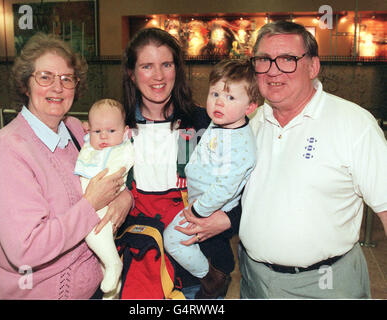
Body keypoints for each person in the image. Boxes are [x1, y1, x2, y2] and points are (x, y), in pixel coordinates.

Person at [0, 33, 133, 299]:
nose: (57, 88)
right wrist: (90, 205)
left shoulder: (76, 130)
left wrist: (124, 197)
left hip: (94, 286)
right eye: (45, 77)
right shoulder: (6, 153)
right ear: (25, 84)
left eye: (66, 79)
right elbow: (25, 250)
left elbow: (109, 169)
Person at [238, 20, 387, 299]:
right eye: (264, 60)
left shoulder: (354, 124)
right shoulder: (250, 122)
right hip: (254, 280)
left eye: (287, 60)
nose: (273, 71)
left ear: (313, 67)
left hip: (327, 284)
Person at [120, 27, 241, 299]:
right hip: (139, 271)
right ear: (131, 72)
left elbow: (243, 188)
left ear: (177, 69)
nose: (159, 76)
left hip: (199, 277)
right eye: (147, 66)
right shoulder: (115, 129)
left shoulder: (205, 125)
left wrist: (227, 220)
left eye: (166, 64)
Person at [164, 59, 259, 299]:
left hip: (210, 207)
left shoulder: (239, 143)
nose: (219, 102)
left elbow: (226, 187)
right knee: (212, 247)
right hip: (201, 201)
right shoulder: (222, 124)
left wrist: (198, 211)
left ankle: (210, 277)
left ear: (250, 107)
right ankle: (217, 269)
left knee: (173, 239)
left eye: (230, 97)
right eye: (215, 93)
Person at [74, 99, 134, 297]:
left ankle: (114, 264)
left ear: (124, 131)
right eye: (97, 132)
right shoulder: (89, 146)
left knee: (94, 234)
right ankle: (112, 286)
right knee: (100, 251)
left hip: (105, 206)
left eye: (111, 131)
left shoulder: (123, 150)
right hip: (89, 204)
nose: (104, 137)